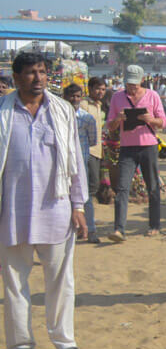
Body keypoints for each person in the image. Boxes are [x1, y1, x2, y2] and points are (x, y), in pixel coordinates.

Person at [1, 53, 87, 349]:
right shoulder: (3, 112)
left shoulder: (62, 110)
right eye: (30, 73)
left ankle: (64, 340)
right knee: (14, 281)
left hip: (57, 208)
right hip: (12, 210)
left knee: (61, 280)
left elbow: (75, 161)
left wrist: (78, 205)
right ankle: (20, 344)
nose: (37, 78)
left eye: (42, 72)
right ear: (16, 77)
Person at [105, 65, 166, 242]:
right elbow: (110, 125)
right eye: (128, 84)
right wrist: (118, 119)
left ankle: (154, 225)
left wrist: (150, 119)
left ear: (142, 80)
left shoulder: (152, 96)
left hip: (148, 146)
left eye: (134, 84)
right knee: (122, 187)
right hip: (127, 148)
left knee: (153, 187)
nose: (131, 87)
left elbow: (163, 122)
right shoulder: (117, 97)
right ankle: (119, 229)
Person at [63, 84, 99, 245]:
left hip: (81, 161)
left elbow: (93, 140)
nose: (75, 99)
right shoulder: (58, 117)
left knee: (85, 197)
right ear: (65, 97)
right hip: (62, 163)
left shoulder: (87, 118)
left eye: (78, 96)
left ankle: (90, 230)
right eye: (72, 96)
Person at [81, 78, 107, 242]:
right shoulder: (84, 105)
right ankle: (89, 228)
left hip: (97, 152)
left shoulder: (99, 107)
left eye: (103, 89)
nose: (100, 92)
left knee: (92, 187)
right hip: (85, 151)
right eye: (98, 89)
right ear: (90, 89)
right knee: (88, 190)